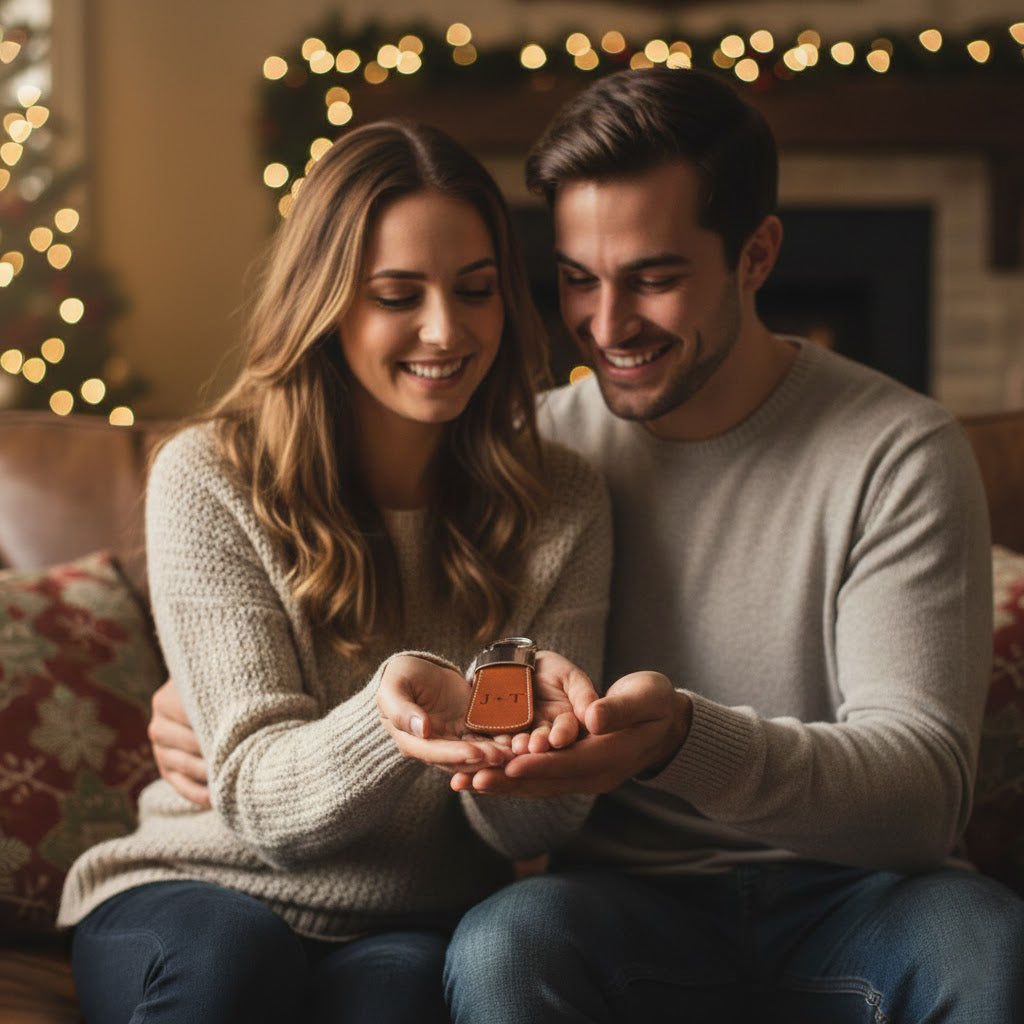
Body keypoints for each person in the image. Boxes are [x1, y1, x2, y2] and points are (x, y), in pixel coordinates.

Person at [150, 70, 1024, 1022]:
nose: (607, 328)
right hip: (621, 904)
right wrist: (193, 697)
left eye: (654, 278)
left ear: (757, 254)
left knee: (984, 941)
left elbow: (924, 798)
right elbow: (392, 641)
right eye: (576, 279)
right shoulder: (535, 458)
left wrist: (687, 740)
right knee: (504, 946)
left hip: (865, 897)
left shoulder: (898, 453)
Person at [56, 119, 611, 1024]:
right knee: (231, 967)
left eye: (476, 290)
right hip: (198, 884)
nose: (446, 329)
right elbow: (262, 806)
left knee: (396, 1001)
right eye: (398, 295)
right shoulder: (210, 478)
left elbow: (544, 827)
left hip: (413, 913)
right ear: (326, 302)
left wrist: (532, 746)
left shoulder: (561, 500)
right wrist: (402, 706)